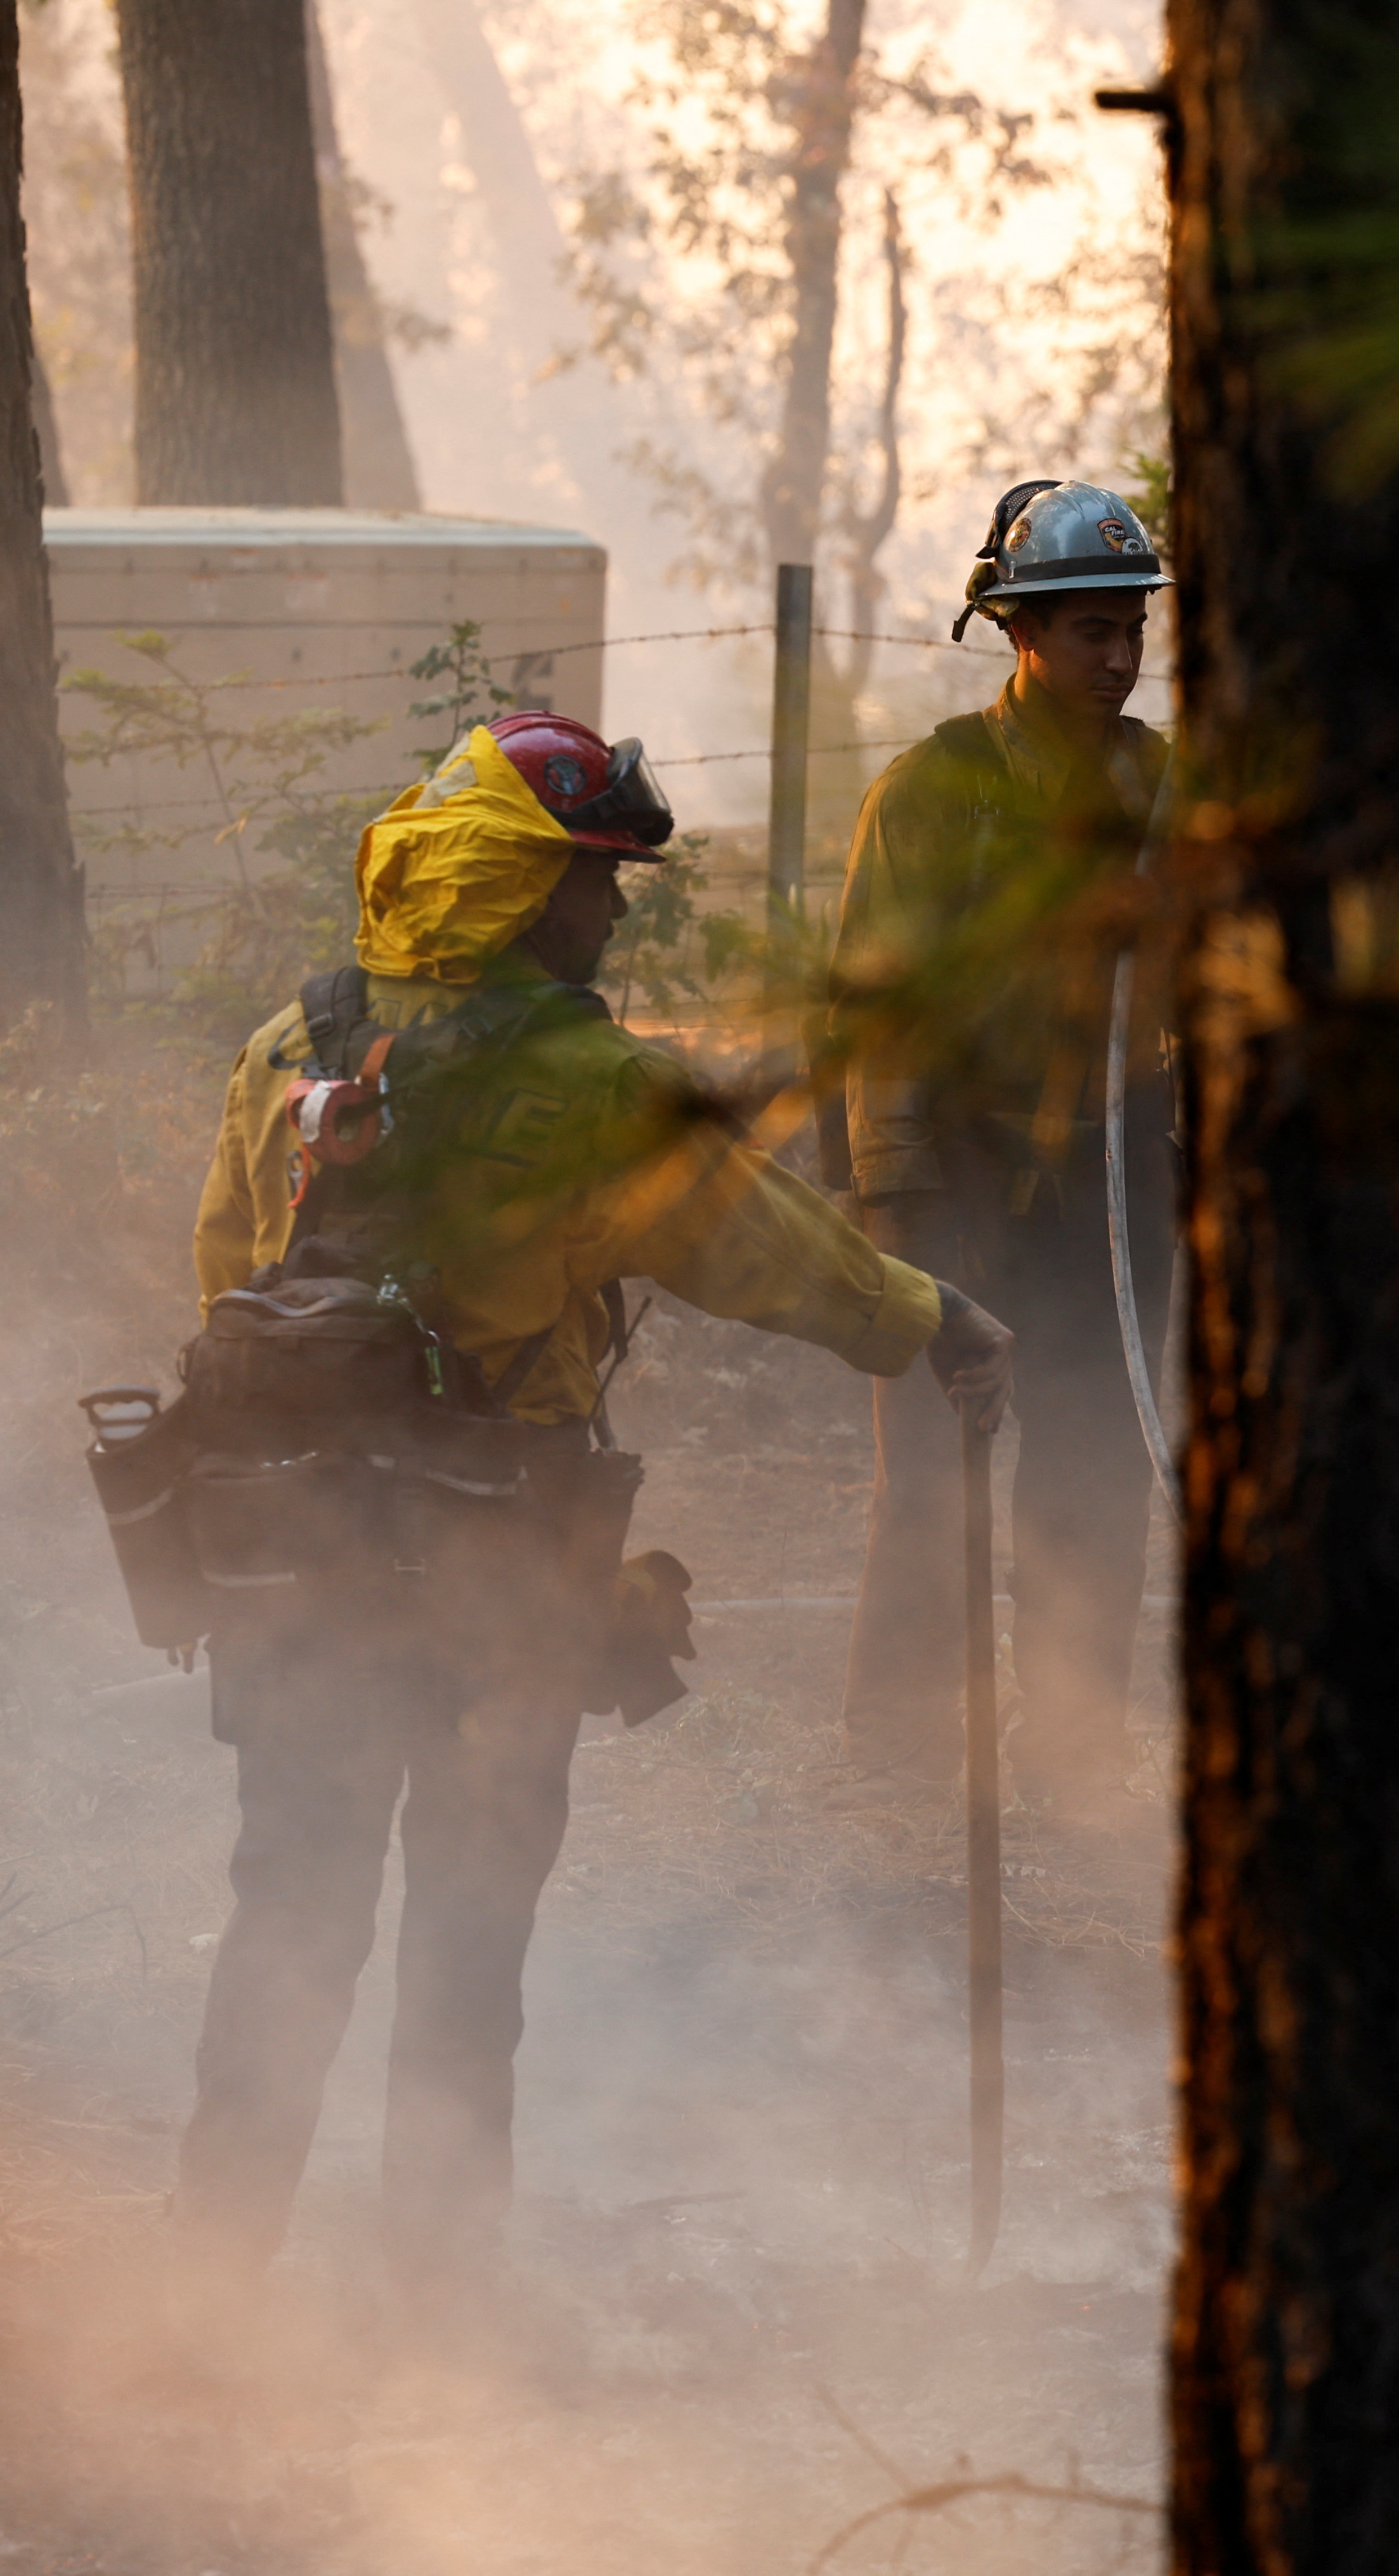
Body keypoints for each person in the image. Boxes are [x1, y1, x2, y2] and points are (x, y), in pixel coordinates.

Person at [172, 709, 1015, 2321]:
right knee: (468, 1932)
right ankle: (429, 2316)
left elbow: (227, 1278)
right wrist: (936, 1322)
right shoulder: (583, 1083)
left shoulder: (291, 1045)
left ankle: (202, 2302)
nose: (616, 913)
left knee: (288, 1909)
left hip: (287, 1550)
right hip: (498, 1558)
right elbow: (770, 1252)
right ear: (509, 885)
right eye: (593, 879)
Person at [829, 479, 1173, 1805]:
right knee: (933, 1480)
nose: (1119, 656)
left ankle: (1076, 1747)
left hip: (1114, 1184)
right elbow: (876, 1015)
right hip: (956, 1183)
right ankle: (903, 1755)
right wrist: (903, 1226)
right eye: (1089, 630)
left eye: (1132, 627)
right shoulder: (931, 795)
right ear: (1016, 632)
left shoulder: (1162, 791)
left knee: (1099, 1467)